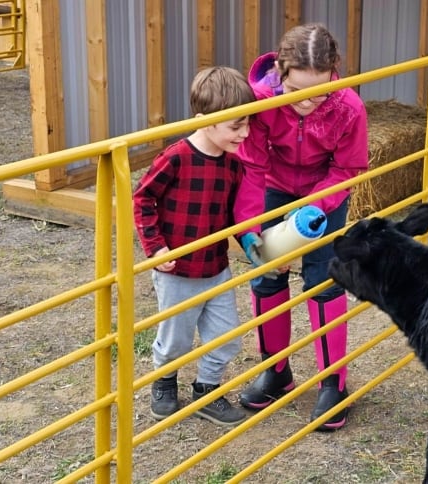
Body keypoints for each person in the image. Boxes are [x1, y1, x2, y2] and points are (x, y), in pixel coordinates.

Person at [234, 23, 369, 431]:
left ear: (335, 72)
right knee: (267, 275)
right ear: (279, 72)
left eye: (320, 91)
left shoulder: (348, 107)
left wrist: (311, 210)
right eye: (297, 93)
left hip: (324, 192)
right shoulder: (257, 105)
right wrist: (251, 232)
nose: (308, 103)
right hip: (272, 188)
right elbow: (252, 168)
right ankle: (277, 371)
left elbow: (348, 166)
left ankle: (334, 383)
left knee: (325, 280)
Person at [133, 66, 256, 426]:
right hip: (178, 272)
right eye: (236, 126)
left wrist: (254, 246)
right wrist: (156, 249)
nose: (244, 133)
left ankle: (207, 391)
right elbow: (142, 200)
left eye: (247, 123)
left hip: (216, 268)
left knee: (227, 336)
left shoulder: (234, 165)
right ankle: (165, 382)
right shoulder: (176, 157)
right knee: (175, 340)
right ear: (205, 121)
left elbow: (235, 215)